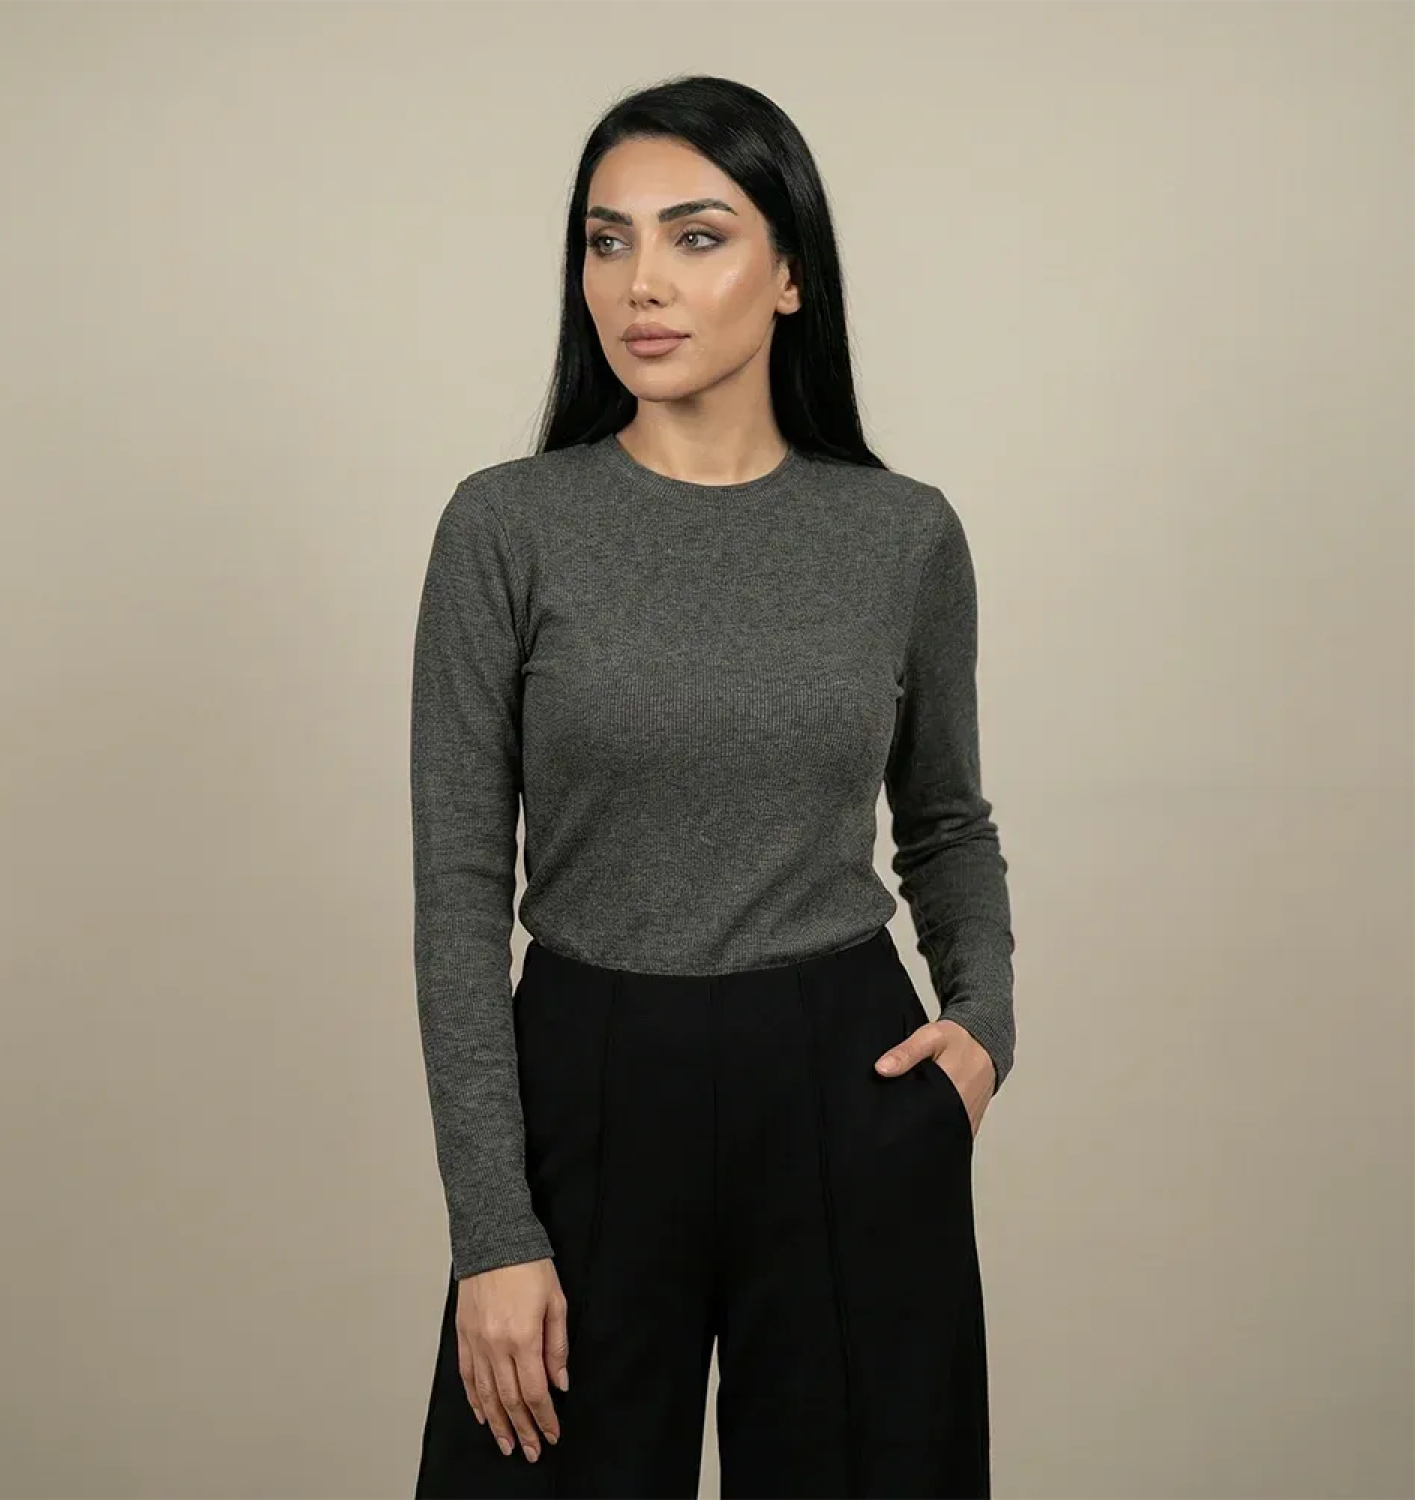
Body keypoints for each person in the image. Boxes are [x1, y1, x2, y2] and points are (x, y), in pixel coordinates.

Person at [409, 72, 1015, 1500]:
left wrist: (984, 1024)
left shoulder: (901, 534)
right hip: (589, 1077)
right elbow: (457, 894)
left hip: (845, 1075)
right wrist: (493, 1229)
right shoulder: (508, 527)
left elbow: (945, 823)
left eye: (696, 236)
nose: (641, 282)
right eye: (606, 239)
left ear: (790, 273)